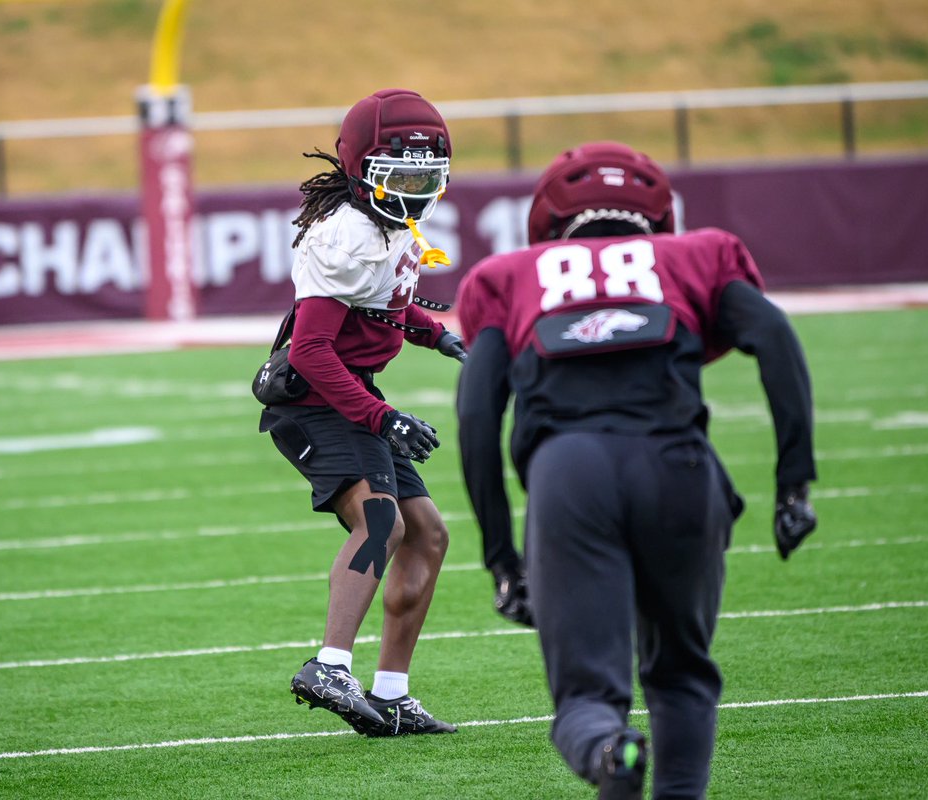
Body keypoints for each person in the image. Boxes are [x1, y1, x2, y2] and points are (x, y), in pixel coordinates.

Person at [454, 141, 818, 798]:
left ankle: (608, 748)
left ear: (548, 214)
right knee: (680, 672)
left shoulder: (508, 275)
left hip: (568, 472)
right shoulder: (696, 254)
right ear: (656, 209)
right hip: (678, 463)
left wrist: (501, 558)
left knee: (585, 698)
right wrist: (793, 482)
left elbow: (477, 415)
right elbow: (774, 338)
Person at [257, 88, 467, 738]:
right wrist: (383, 417)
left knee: (427, 533)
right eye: (396, 176)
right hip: (319, 398)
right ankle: (329, 665)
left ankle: (393, 693)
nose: (408, 191)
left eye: (419, 178)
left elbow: (388, 306)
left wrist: (444, 338)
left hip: (352, 391)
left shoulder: (385, 225)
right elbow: (312, 347)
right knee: (382, 523)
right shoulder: (343, 230)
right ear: (359, 167)